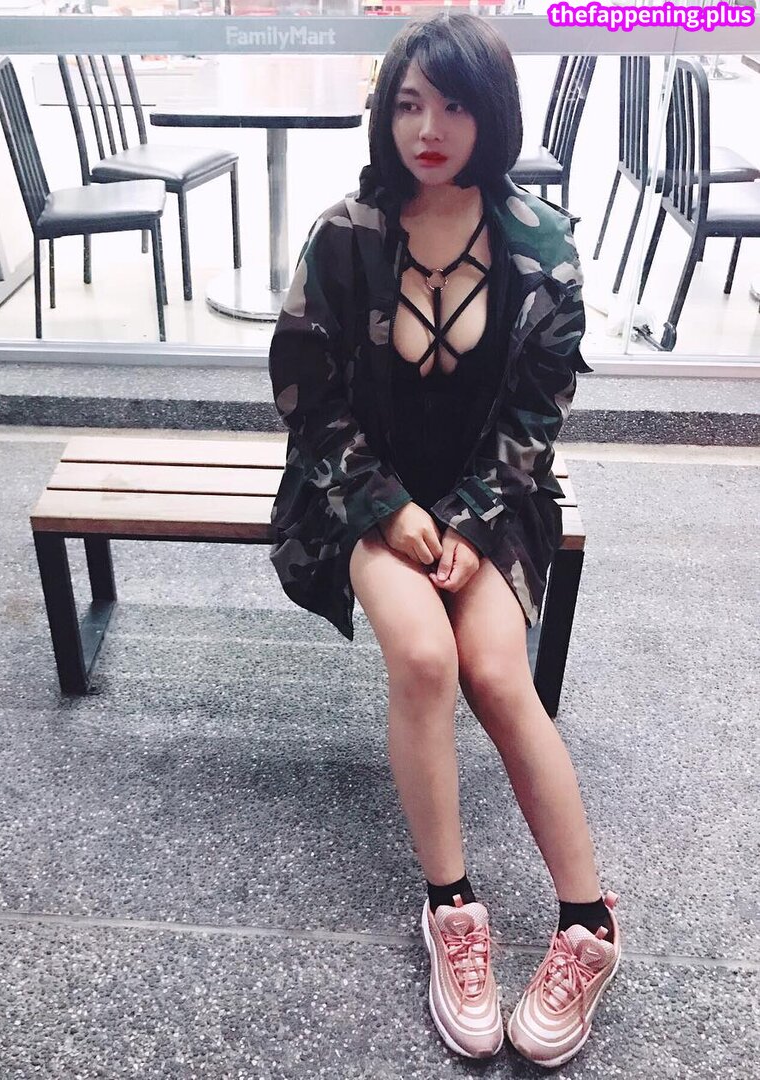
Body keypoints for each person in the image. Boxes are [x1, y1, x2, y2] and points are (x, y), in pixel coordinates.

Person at [267, 12, 620, 1069]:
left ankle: (589, 923)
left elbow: (536, 417)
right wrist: (391, 508)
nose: (429, 128)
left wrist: (468, 516)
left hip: (498, 499)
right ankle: (452, 909)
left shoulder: (541, 247)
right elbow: (307, 399)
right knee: (424, 658)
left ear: (492, 114)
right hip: (359, 495)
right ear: (385, 111)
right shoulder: (346, 236)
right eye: (410, 103)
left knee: (499, 675)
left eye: (456, 105)